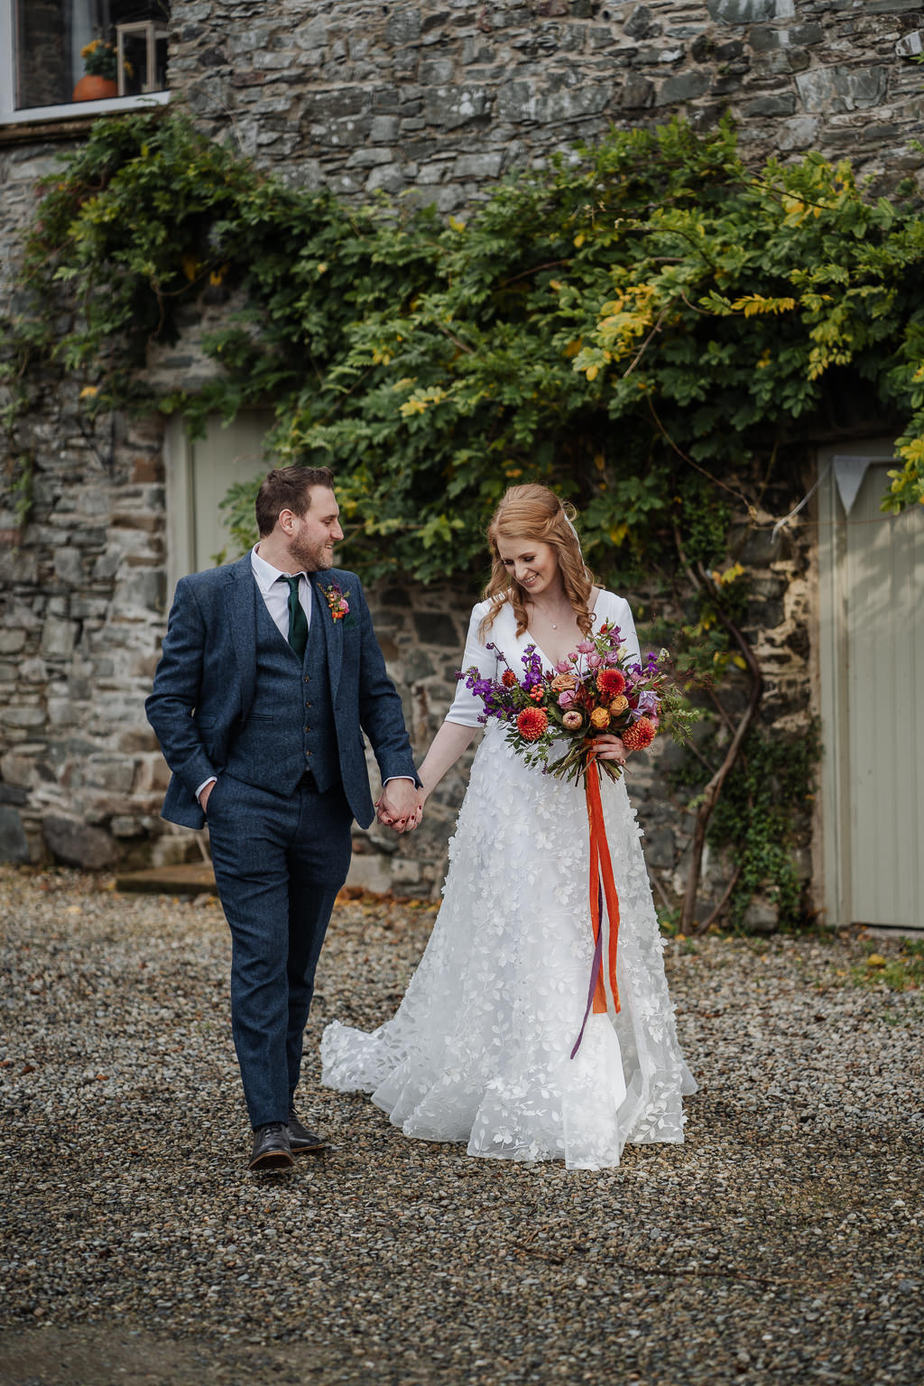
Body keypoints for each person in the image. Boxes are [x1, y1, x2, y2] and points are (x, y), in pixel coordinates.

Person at [322, 483, 695, 1170]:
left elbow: (639, 698)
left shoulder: (610, 613)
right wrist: (416, 788)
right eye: (509, 561)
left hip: (585, 799)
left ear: (558, 541)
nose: (521, 573)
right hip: (513, 799)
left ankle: (591, 1074)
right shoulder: (492, 616)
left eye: (529, 558)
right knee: (528, 931)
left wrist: (627, 740)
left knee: (583, 926)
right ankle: (536, 1082)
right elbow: (468, 711)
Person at [146, 466, 421, 1173]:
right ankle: (267, 1121)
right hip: (244, 806)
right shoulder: (207, 595)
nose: (339, 532)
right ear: (288, 522)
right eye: (329, 520)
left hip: (325, 809)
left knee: (299, 964)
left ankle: (287, 1111)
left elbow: (376, 696)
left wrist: (397, 772)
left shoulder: (342, 594)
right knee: (262, 958)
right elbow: (168, 703)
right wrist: (208, 786)